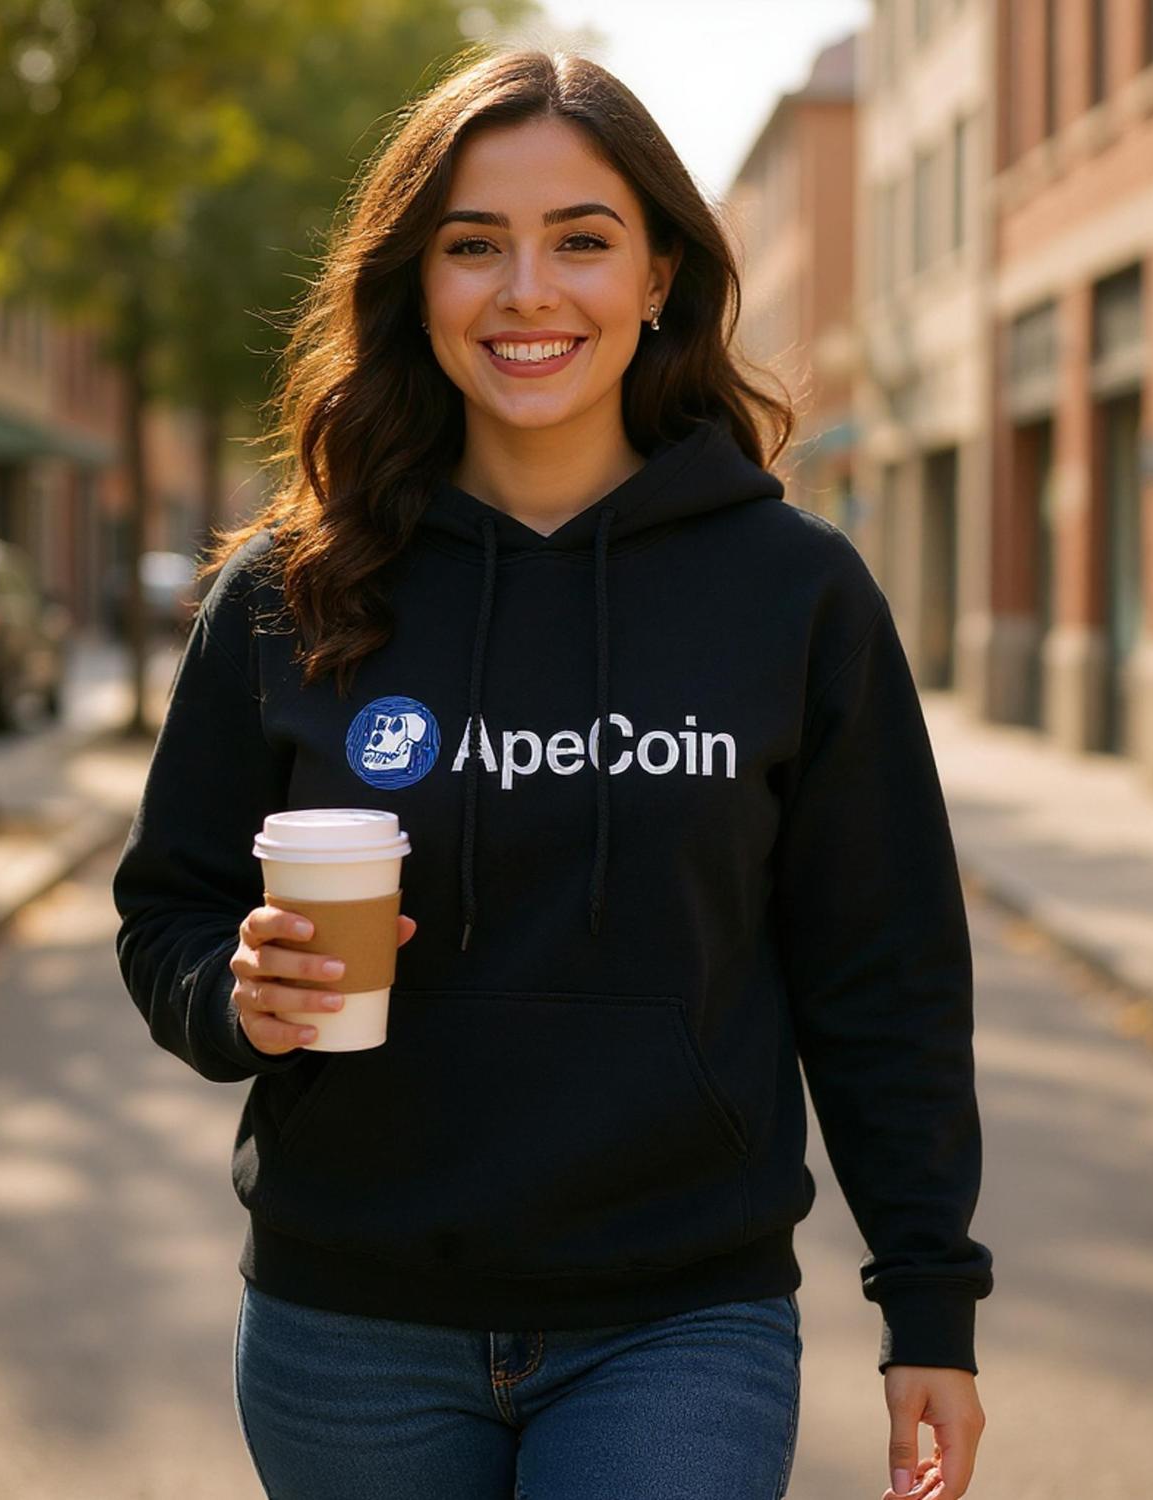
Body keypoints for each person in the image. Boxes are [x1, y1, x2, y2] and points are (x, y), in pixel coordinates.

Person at [111, 44, 992, 1500]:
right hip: (352, 1323)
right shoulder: (292, 591)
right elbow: (170, 913)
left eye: (581, 241)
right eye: (475, 247)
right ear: (419, 283)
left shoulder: (794, 592)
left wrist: (930, 1305)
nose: (529, 292)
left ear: (658, 277)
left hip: (678, 1320)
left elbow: (885, 965)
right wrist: (235, 998)